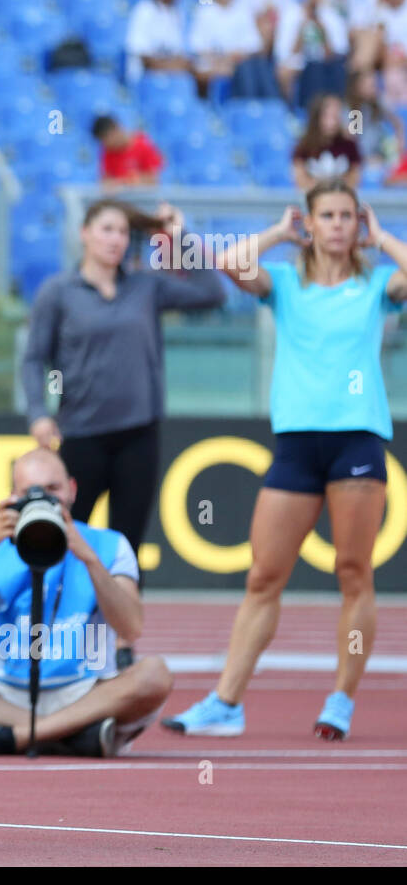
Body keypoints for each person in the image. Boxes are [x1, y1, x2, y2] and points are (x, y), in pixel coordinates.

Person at [164, 179, 407, 740]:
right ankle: (227, 702)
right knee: (263, 576)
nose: (339, 225)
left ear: (359, 223)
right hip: (297, 443)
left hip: (356, 440)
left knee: (353, 573)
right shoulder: (286, 286)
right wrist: (277, 230)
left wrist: (385, 236)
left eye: (348, 215)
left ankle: (342, 698)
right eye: (328, 215)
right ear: (311, 222)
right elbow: (229, 264)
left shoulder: (376, 285)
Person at [22, 200, 225, 634]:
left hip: (138, 435)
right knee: (65, 537)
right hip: (81, 434)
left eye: (122, 232)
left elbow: (213, 292)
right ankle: (53, 632)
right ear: (85, 233)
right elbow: (33, 358)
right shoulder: (59, 292)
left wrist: (180, 238)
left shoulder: (146, 288)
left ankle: (121, 640)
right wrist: (39, 413)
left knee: (127, 546)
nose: (115, 240)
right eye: (107, 229)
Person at [0, 447, 173, 756]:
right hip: (2, 692)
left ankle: (15, 737)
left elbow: (131, 627)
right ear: (12, 496)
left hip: (86, 690)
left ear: (72, 490)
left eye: (53, 489)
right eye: (31, 492)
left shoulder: (109, 545)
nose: (45, 500)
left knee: (155, 674)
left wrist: (87, 556)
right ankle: (69, 736)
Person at [275, 0, 349, 107]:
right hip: (300, 64)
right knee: (308, 69)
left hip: (326, 65)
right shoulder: (291, 13)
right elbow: (285, 53)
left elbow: (336, 53)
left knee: (330, 68)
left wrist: (322, 29)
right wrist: (302, 28)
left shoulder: (332, 15)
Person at [124, 0, 191, 84]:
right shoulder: (144, 9)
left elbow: (178, 53)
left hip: (172, 75)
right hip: (145, 78)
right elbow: (142, 55)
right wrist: (170, 67)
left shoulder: (177, 13)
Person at [292, 92, 361, 190]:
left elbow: (355, 177)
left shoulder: (349, 144)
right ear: (317, 117)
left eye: (336, 116)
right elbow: (300, 179)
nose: (332, 122)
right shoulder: (303, 145)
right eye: (327, 116)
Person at [90, 115, 164, 187]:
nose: (106, 145)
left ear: (115, 130)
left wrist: (130, 182)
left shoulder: (143, 144)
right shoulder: (108, 153)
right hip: (121, 199)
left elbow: (154, 179)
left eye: (106, 140)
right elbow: (105, 181)